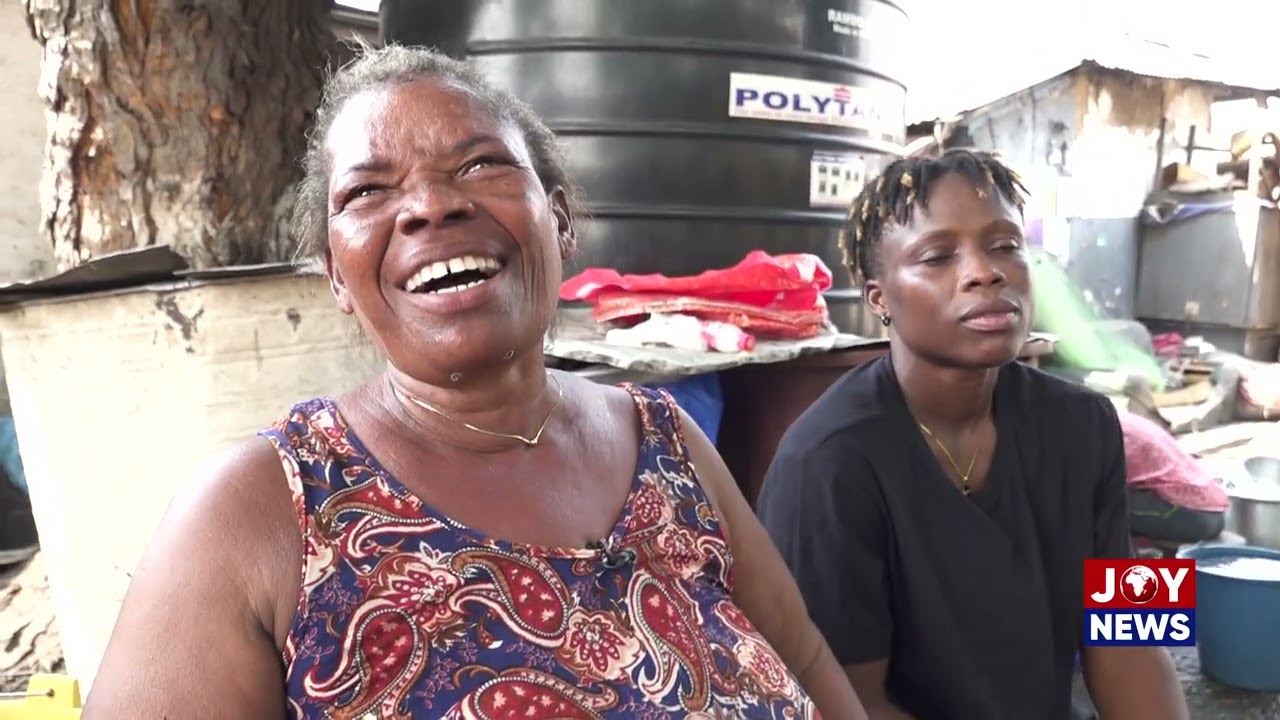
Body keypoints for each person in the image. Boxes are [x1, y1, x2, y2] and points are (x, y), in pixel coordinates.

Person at [83, 45, 866, 720]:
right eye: (368, 191)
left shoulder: (667, 442)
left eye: (481, 164)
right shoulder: (260, 508)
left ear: (559, 218)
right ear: (337, 276)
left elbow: (806, 660)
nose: (430, 206)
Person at [756, 149, 1190, 720]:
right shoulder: (826, 463)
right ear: (879, 299)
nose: (985, 272)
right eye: (938, 256)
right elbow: (846, 701)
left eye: (1005, 245)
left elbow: (1133, 637)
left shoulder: (1088, 423)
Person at [1119, 408, 1228, 544]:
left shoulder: (1102, 430)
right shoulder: (1119, 420)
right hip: (1210, 510)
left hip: (1188, 515)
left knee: (1099, 506)